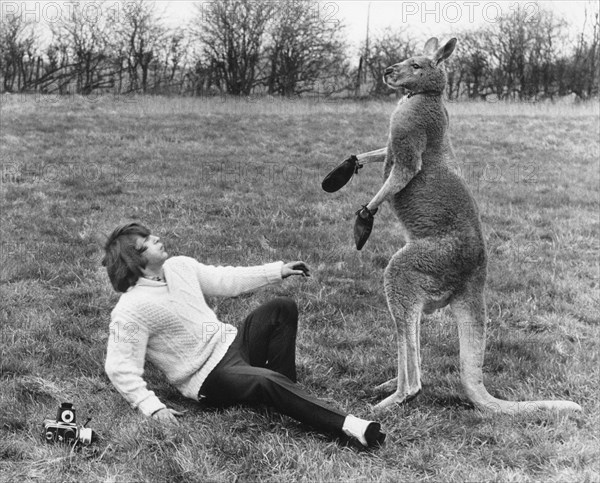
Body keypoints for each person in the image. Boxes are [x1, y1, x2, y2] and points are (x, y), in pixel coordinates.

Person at [102, 222, 386, 448]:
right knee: (266, 381)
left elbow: (226, 279)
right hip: (209, 378)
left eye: (151, 236)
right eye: (148, 242)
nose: (157, 239)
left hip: (232, 342)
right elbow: (119, 367)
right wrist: (151, 407)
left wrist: (277, 271)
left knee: (281, 309)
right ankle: (352, 427)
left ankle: (284, 395)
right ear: (135, 259)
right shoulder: (131, 308)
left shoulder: (179, 267)